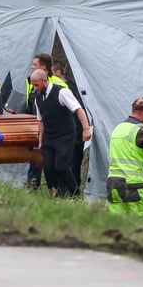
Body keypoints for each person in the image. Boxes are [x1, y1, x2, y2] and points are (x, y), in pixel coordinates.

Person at [30, 69, 90, 197]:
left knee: (61, 166)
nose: (35, 88)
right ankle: (54, 194)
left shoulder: (62, 92)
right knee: (48, 167)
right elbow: (40, 121)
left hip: (65, 135)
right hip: (49, 136)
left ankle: (75, 193)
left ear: (45, 81)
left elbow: (79, 110)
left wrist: (86, 129)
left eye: (37, 85)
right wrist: (41, 140)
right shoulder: (37, 98)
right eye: (33, 85)